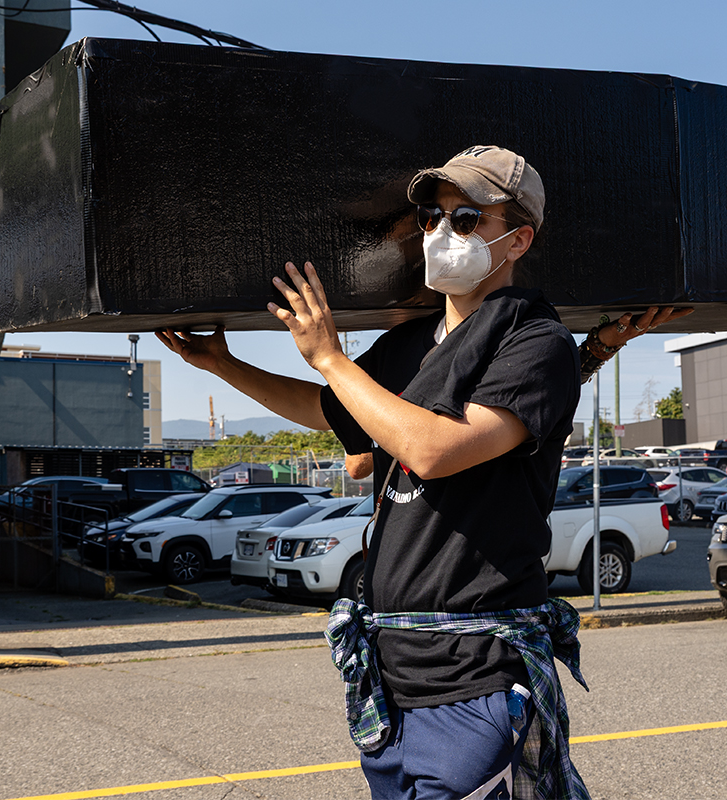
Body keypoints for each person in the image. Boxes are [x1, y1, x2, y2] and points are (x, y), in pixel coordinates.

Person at [158, 144, 688, 799]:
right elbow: (331, 410)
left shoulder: (535, 341)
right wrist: (220, 365)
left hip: (473, 681)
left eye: (467, 220)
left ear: (518, 240)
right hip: (391, 680)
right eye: (433, 218)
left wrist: (329, 356)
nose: (441, 234)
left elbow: (435, 449)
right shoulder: (408, 346)